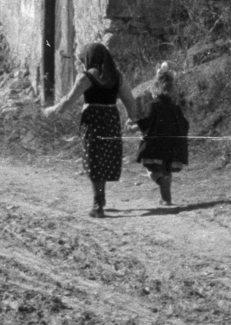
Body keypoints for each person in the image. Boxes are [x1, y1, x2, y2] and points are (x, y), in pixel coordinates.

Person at [46, 42, 137, 218]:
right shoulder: (117, 76)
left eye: (83, 60)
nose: (82, 64)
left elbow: (68, 100)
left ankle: (97, 204)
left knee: (94, 159)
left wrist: (53, 110)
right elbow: (130, 101)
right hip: (111, 120)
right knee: (104, 158)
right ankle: (101, 198)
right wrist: (131, 119)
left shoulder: (87, 77)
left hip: (93, 121)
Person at [136, 62, 189, 207]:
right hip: (171, 147)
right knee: (167, 171)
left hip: (155, 146)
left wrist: (136, 125)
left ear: (155, 89)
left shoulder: (152, 106)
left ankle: (160, 182)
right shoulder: (175, 108)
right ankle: (167, 199)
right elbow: (185, 124)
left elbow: (147, 122)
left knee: (150, 169)